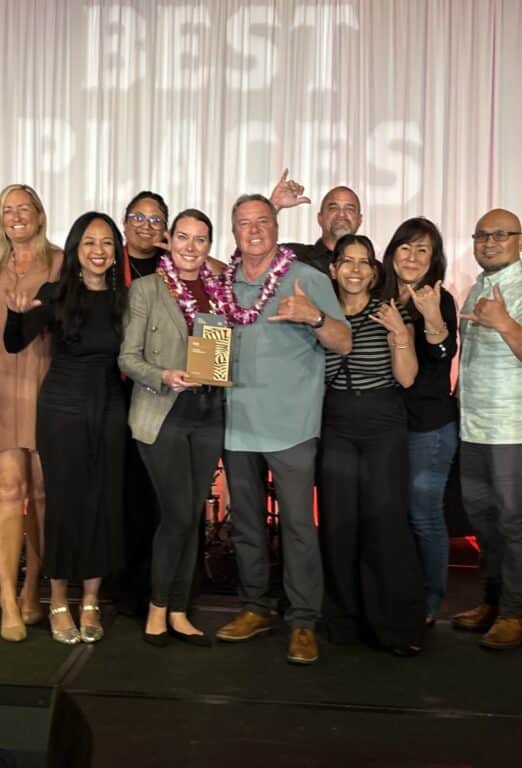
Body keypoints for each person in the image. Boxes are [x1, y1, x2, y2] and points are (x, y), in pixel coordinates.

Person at [214, 194, 351, 665]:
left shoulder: (307, 278)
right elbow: (209, 345)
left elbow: (345, 341)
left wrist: (312, 316)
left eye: (262, 221)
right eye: (243, 223)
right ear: (233, 232)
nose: (253, 230)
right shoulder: (223, 284)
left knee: (297, 527)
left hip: (291, 425)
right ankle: (255, 608)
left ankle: (303, 621)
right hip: (236, 426)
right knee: (247, 527)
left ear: (277, 227)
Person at [5, 212, 128, 645]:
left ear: (116, 252)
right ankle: (57, 598)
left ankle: (90, 600)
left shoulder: (125, 299)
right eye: (90, 242)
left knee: (103, 504)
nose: (99, 250)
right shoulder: (54, 294)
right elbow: (15, 342)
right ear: (76, 248)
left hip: (112, 409)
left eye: (108, 243)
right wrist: (14, 314)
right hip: (62, 409)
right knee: (63, 506)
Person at [453, 208, 522, 650]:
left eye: (500, 235)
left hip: (514, 427)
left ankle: (517, 614)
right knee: (484, 520)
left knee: (515, 520)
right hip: (473, 426)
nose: (490, 242)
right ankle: (493, 602)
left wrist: (505, 323)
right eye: (482, 235)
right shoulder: (477, 288)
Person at [119, 209, 225, 647]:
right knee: (177, 514)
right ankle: (157, 609)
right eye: (183, 236)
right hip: (162, 412)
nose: (190, 246)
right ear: (169, 240)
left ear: (208, 246)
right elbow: (127, 357)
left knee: (193, 517)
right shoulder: (146, 289)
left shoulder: (221, 293)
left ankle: (181, 610)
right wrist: (164, 375)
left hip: (209, 414)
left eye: (200, 239)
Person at [318, 234, 427, 654]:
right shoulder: (322, 313)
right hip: (336, 422)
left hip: (383, 422)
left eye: (365, 262)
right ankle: (344, 622)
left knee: (385, 523)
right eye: (348, 261)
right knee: (339, 523)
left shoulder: (391, 310)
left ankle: (395, 626)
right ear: (334, 268)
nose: (356, 269)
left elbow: (407, 378)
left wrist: (401, 334)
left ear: (375, 271)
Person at [0, 184, 63, 642]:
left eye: (25, 208)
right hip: (0, 391)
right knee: (8, 491)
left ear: (41, 216)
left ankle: (32, 590)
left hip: (48, 391)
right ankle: (6, 599)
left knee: (43, 495)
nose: (17, 215)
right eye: (8, 209)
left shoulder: (62, 262)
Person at [383, 218, 459, 625]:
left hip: (429, 427)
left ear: (434, 259)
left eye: (423, 250)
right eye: (406, 247)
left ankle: (431, 597)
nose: (412, 257)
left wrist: (432, 318)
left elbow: (444, 352)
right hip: (387, 426)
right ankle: (401, 589)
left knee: (424, 514)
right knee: (395, 514)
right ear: (393, 251)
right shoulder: (378, 294)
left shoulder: (437, 298)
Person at [116, 191, 170, 617]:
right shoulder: (107, 260)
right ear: (125, 221)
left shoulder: (178, 266)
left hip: (160, 393)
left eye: (156, 220)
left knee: (151, 495)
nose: (146, 226)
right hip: (111, 392)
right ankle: (116, 584)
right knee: (117, 493)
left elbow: (220, 278)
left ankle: (152, 586)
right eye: (139, 217)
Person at [269, 170, 363, 273]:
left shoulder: (370, 269)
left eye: (349, 209)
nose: (341, 214)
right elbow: (257, 252)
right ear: (320, 218)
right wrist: (274, 206)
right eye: (333, 208)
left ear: (360, 220)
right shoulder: (293, 258)